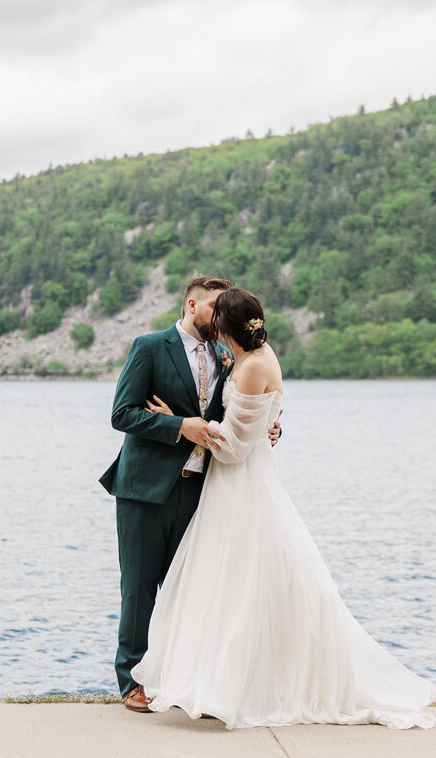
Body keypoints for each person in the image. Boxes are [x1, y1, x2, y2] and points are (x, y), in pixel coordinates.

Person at [130, 288, 436, 729]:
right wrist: (245, 429)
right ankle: (220, 681)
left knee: (241, 584)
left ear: (225, 327)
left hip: (239, 484)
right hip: (235, 484)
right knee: (231, 583)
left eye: (217, 319)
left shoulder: (252, 364)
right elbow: (254, 421)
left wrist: (190, 428)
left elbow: (235, 448)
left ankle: (234, 686)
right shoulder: (250, 357)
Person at [99, 276, 282, 712]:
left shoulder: (228, 354)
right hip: (145, 489)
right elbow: (122, 414)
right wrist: (179, 425)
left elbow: (241, 412)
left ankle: (178, 679)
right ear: (192, 303)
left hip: (204, 490)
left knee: (190, 590)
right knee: (139, 589)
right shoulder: (148, 347)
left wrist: (268, 426)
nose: (219, 317)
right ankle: (132, 682)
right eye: (214, 307)